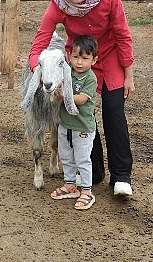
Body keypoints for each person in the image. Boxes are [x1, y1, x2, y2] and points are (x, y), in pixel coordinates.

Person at [28, 0, 135, 197]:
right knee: (82, 113)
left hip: (110, 59)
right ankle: (94, 171)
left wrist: (128, 74)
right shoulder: (59, 4)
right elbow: (39, 45)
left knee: (113, 111)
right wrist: (40, 72)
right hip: (79, 62)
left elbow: (123, 35)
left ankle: (121, 177)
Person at [50, 35, 99, 210]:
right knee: (66, 156)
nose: (79, 62)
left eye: (85, 58)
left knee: (82, 159)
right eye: (76, 57)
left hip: (82, 128)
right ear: (69, 56)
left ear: (94, 60)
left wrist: (64, 95)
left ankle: (87, 191)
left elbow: (81, 99)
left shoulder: (90, 78)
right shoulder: (67, 73)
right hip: (65, 125)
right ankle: (70, 185)